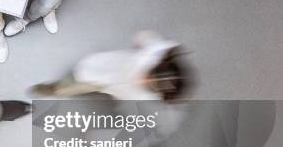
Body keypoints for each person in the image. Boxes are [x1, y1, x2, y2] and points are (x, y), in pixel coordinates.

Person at [31, 31, 192, 101]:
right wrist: (140, 44)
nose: (144, 81)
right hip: (98, 70)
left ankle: (60, 89)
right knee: (69, 85)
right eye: (149, 76)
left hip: (105, 85)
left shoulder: (148, 96)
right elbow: (144, 37)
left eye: (151, 85)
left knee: (91, 86)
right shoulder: (154, 52)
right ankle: (54, 89)